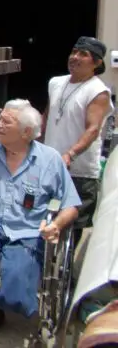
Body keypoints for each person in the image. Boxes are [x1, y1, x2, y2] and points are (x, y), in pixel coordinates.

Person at [0, 99, 81, 342]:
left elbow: (71, 205)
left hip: (28, 232)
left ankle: (8, 300)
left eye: (5, 121)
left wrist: (57, 225)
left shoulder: (50, 160)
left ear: (26, 132)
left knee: (16, 298)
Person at [42, 36, 114, 247]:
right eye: (74, 52)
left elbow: (93, 129)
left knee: (72, 228)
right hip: (50, 167)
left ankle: (66, 274)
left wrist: (70, 153)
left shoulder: (98, 91)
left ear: (97, 63)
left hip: (79, 171)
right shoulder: (55, 82)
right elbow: (47, 115)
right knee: (43, 218)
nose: (75, 57)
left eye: (83, 54)